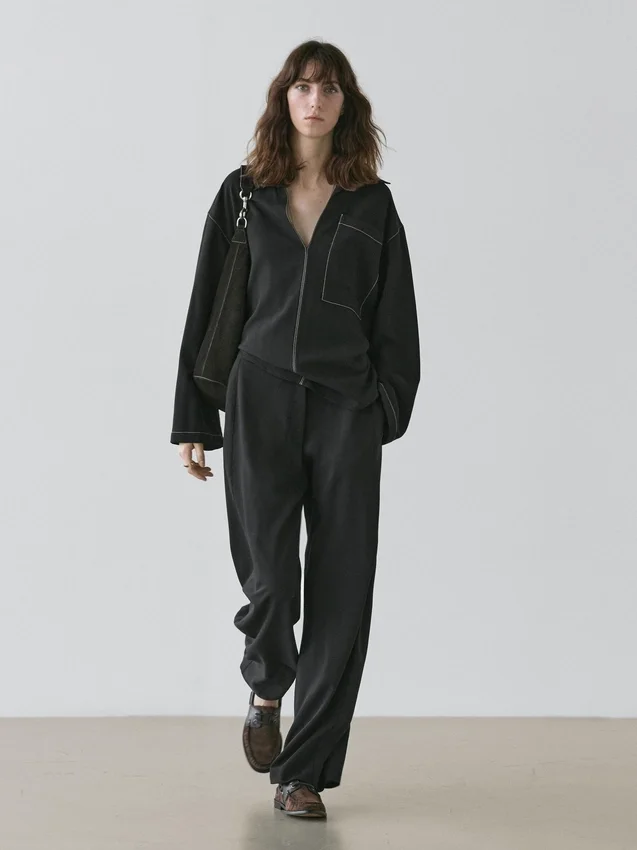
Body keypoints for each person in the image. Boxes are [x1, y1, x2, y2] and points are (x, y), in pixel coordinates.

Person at [169, 39, 420, 819]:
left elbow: (397, 322)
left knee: (343, 591)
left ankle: (301, 773)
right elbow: (208, 304)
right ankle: (266, 684)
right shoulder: (245, 193)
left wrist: (383, 410)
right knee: (273, 578)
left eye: (330, 87)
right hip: (260, 399)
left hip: (347, 409)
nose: (315, 99)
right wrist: (193, 418)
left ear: (347, 104)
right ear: (285, 99)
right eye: (302, 86)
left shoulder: (372, 206)